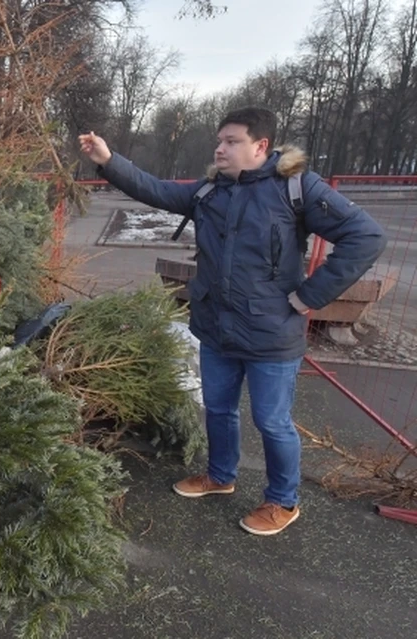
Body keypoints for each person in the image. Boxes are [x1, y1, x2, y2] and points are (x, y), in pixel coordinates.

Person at [79, 107, 387, 536]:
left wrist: (310, 296)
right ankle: (220, 476)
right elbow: (156, 190)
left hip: (272, 330)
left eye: (231, 141)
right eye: (219, 140)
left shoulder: (296, 188)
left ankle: (282, 501)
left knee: (272, 421)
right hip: (216, 326)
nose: (220, 148)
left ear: (260, 146)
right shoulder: (211, 191)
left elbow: (366, 236)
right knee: (219, 409)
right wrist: (109, 160)